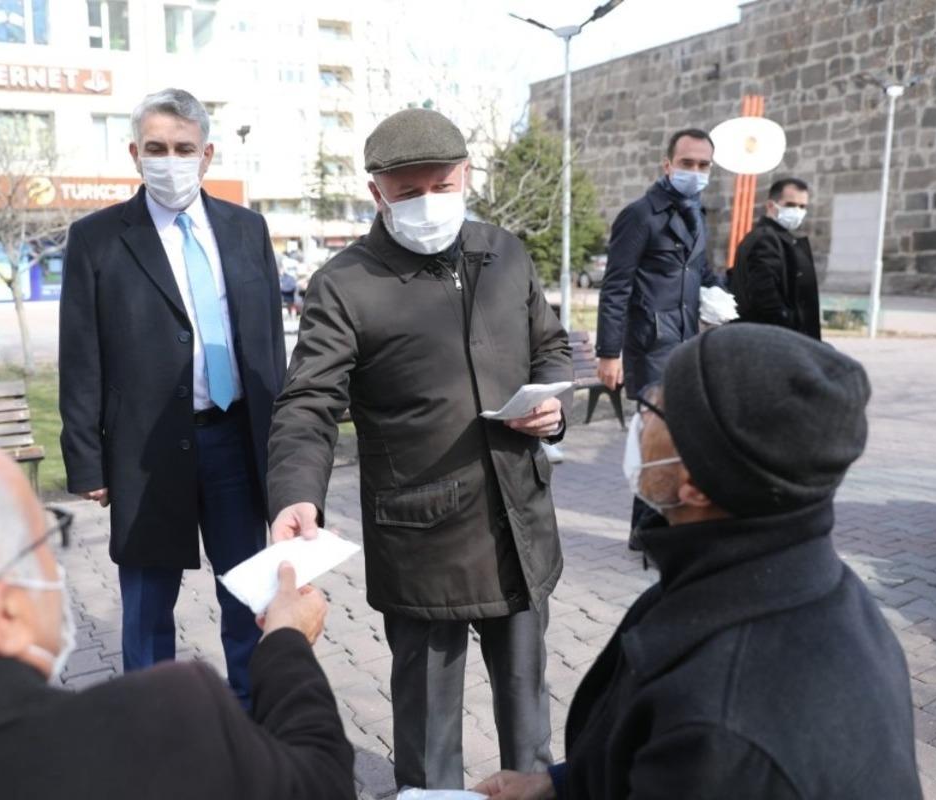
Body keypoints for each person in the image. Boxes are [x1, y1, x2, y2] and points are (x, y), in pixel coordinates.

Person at [0, 414, 355, 799]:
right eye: (45, 541)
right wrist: (286, 646)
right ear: (3, 615)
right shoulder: (167, 728)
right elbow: (319, 782)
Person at [474, 324, 922, 800]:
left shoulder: (725, 729)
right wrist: (558, 785)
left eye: (654, 410)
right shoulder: (785, 580)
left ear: (696, 485)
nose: (640, 422)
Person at [267, 108, 573, 790]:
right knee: (430, 726)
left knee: (527, 703)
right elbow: (309, 401)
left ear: (466, 175)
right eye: (408, 192)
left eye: (442, 185)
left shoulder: (504, 253)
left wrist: (553, 406)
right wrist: (295, 493)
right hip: (423, 536)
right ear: (376, 192)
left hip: (518, 522)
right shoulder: (345, 283)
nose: (429, 202)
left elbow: (550, 345)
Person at [59, 88, 286, 706]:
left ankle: (251, 716)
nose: (170, 160)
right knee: (146, 606)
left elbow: (268, 344)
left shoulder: (247, 229)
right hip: (144, 452)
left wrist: (283, 444)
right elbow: (79, 357)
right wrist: (87, 460)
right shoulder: (97, 238)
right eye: (156, 148)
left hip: (234, 442)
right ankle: (152, 723)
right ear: (135, 154)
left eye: (184, 149)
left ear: (207, 154)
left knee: (248, 594)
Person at [594, 128, 723, 548]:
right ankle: (646, 531)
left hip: (687, 342)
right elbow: (616, 287)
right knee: (656, 435)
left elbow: (700, 271)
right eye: (687, 163)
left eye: (703, 165)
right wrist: (608, 353)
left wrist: (722, 295)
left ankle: (659, 526)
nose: (695, 171)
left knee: (678, 435)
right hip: (651, 343)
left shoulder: (697, 212)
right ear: (667, 165)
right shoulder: (640, 215)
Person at [731, 178, 821, 339]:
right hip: (772, 337)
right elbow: (765, 295)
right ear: (771, 206)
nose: (797, 211)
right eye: (790, 205)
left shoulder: (775, 237)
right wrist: (789, 325)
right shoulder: (766, 239)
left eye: (802, 206)